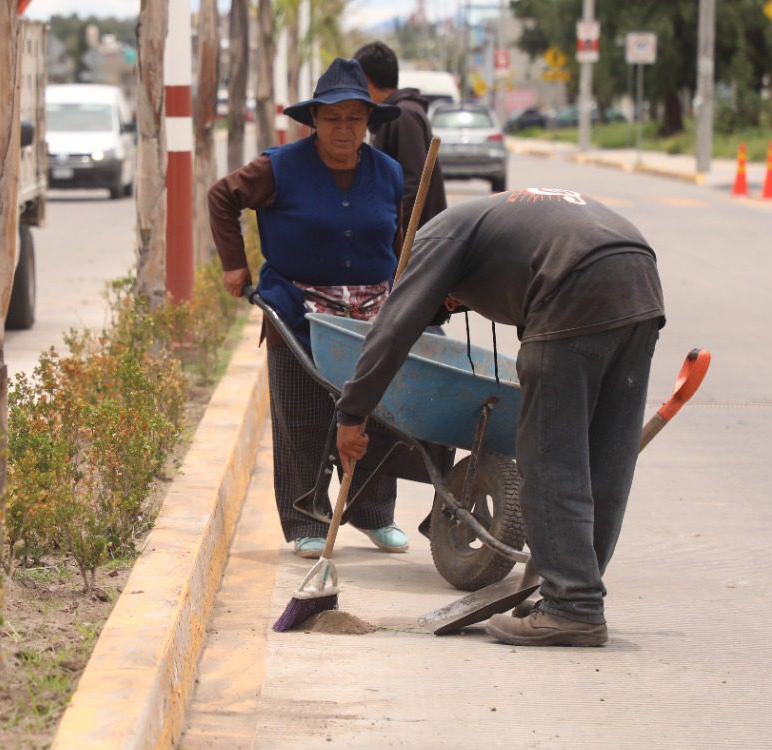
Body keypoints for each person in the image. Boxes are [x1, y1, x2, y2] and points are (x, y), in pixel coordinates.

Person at [334, 187, 666, 646]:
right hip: (639, 279)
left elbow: (394, 330)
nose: (455, 307)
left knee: (550, 458)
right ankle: (573, 590)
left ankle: (571, 605)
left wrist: (352, 411)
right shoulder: (492, 223)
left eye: (452, 304)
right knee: (605, 458)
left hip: (574, 281)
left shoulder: (438, 238)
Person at [209, 58, 410, 559]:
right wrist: (235, 266)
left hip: (372, 314)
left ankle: (373, 513)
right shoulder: (279, 166)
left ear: (367, 122)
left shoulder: (387, 172)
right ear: (313, 122)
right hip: (297, 309)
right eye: (333, 119)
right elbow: (221, 197)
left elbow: (398, 238)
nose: (344, 129)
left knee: (378, 415)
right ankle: (305, 518)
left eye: (354, 119)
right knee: (302, 415)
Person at [353, 40, 447, 249]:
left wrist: (390, 236)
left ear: (365, 79)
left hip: (415, 244)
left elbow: (412, 182)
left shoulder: (402, 115)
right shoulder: (393, 114)